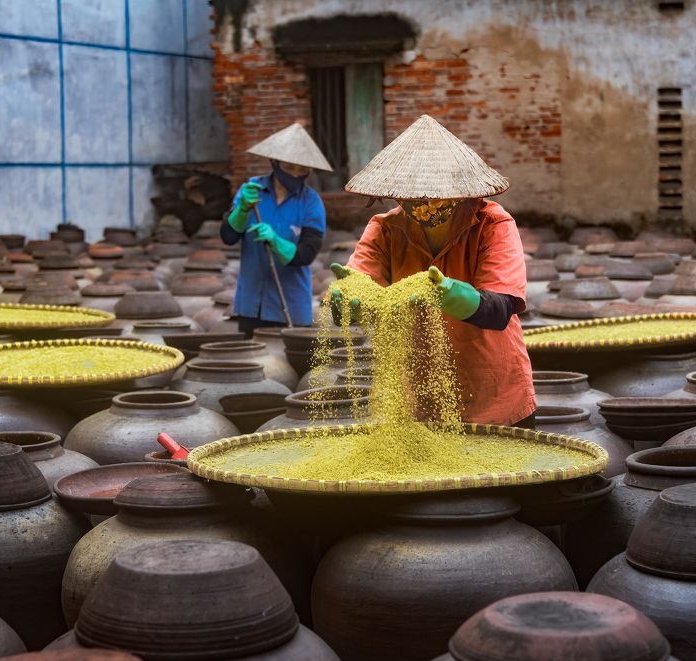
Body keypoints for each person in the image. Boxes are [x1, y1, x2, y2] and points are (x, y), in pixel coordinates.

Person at [332, 114, 536, 428]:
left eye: (436, 193)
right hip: (419, 402)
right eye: (414, 195)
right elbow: (361, 282)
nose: (426, 202)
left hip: (493, 395)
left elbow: (500, 308)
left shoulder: (492, 224)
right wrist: (348, 301)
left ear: (458, 190)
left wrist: (461, 298)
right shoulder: (385, 230)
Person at [222, 123, 331, 337]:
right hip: (252, 304)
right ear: (274, 162)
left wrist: (275, 241)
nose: (295, 174)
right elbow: (228, 236)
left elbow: (306, 254)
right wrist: (242, 210)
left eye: (302, 170)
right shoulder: (251, 191)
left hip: (292, 305)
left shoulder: (311, 202)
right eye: (289, 168)